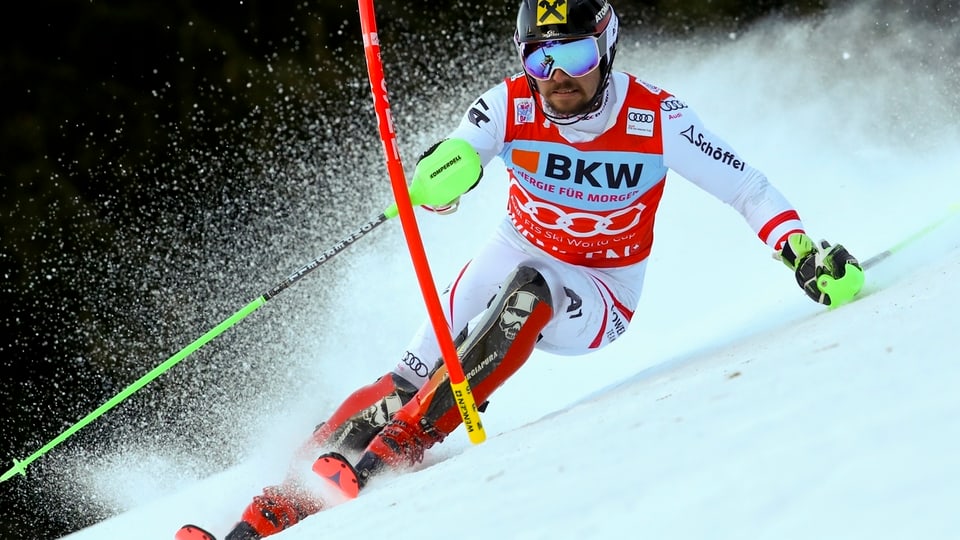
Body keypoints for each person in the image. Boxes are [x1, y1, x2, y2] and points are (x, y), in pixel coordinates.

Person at [176, 0, 865, 538]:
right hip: (511, 251)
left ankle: (403, 443)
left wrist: (801, 251)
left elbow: (745, 187)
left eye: (575, 53)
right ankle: (259, 517)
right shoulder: (510, 103)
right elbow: (459, 153)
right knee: (403, 378)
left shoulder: (656, 117)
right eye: (540, 58)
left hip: (600, 291)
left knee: (527, 294)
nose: (558, 74)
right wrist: (440, 177)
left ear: (607, 47)